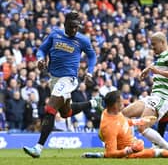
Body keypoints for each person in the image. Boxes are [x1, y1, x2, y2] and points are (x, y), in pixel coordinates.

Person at [23, 11, 100, 158]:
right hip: (54, 78)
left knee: (50, 107)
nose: (74, 30)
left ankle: (38, 148)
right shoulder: (55, 34)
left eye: (77, 27)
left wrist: (89, 72)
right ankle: (93, 103)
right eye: (71, 26)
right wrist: (40, 59)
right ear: (64, 24)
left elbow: (92, 55)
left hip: (69, 79)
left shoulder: (82, 40)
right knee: (66, 112)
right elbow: (41, 49)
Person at [82, 91, 168, 158]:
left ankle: (99, 155)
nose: (123, 103)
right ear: (115, 105)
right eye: (121, 101)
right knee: (161, 152)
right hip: (130, 154)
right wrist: (130, 150)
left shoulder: (111, 112)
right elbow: (111, 153)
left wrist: (138, 121)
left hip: (132, 144)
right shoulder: (109, 127)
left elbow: (122, 121)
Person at [122, 31, 168, 149]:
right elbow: (156, 64)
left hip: (163, 97)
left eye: (154, 44)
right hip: (153, 97)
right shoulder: (160, 57)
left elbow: (159, 68)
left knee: (142, 126)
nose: (152, 47)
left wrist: (157, 72)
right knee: (123, 115)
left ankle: (165, 147)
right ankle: (130, 145)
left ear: (162, 42)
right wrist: (147, 69)